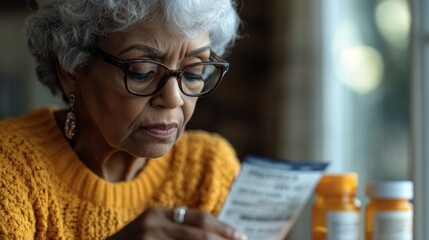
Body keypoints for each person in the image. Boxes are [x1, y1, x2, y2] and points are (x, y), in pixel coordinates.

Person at [0, 0, 246, 239]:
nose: (174, 99)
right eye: (143, 72)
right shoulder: (11, 166)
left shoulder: (209, 171)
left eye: (193, 72)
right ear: (71, 69)